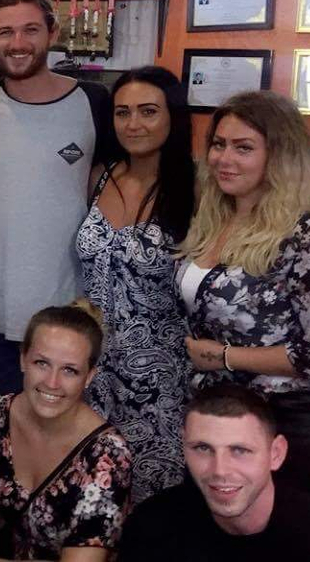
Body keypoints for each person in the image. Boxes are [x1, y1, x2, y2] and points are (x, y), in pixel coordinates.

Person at [176, 90, 310, 519]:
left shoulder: (305, 236)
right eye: (219, 144)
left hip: (286, 426)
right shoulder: (213, 219)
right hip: (219, 420)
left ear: (278, 156)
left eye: (244, 147)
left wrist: (225, 357)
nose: (223, 158)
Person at [0, 0, 112, 415]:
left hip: (65, 314)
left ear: (52, 32)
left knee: (57, 438)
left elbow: (119, 183)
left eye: (30, 30)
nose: (17, 43)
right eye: (5, 32)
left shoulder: (93, 102)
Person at [76, 66, 195, 505]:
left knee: (154, 500)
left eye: (148, 112)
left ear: (173, 117)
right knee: (94, 495)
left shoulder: (195, 188)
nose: (134, 124)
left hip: (162, 378)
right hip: (92, 370)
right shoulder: (101, 176)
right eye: (123, 113)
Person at [0, 303, 133, 561]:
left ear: (90, 376)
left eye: (69, 370)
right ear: (23, 359)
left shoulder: (107, 455)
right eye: (42, 363)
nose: (52, 382)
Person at [118, 385, 310, 561]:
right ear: (184, 446)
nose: (220, 470)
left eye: (240, 450)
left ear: (276, 453)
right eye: (203, 448)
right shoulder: (151, 526)